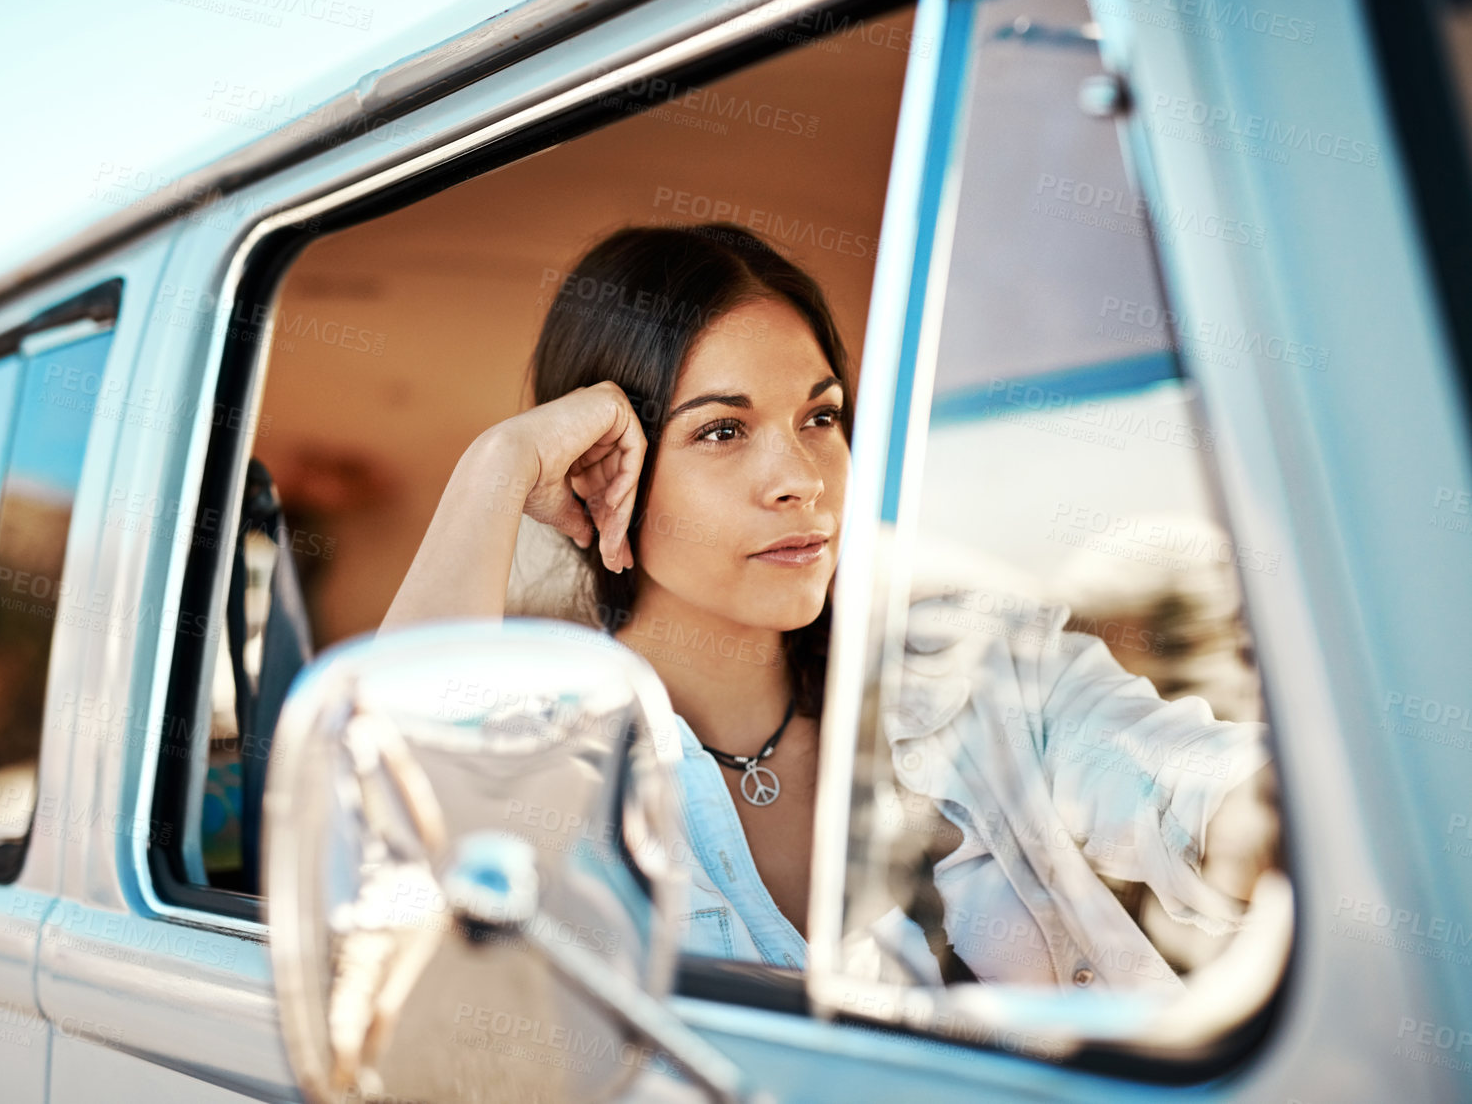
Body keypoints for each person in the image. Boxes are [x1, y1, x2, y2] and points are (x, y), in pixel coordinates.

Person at [381, 223, 1273, 988]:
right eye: (721, 431)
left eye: (820, 417)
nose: (803, 480)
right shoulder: (547, 772)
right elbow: (385, 832)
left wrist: (1259, 815)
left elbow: (1184, 783)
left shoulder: (986, 673)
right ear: (602, 474)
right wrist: (496, 466)